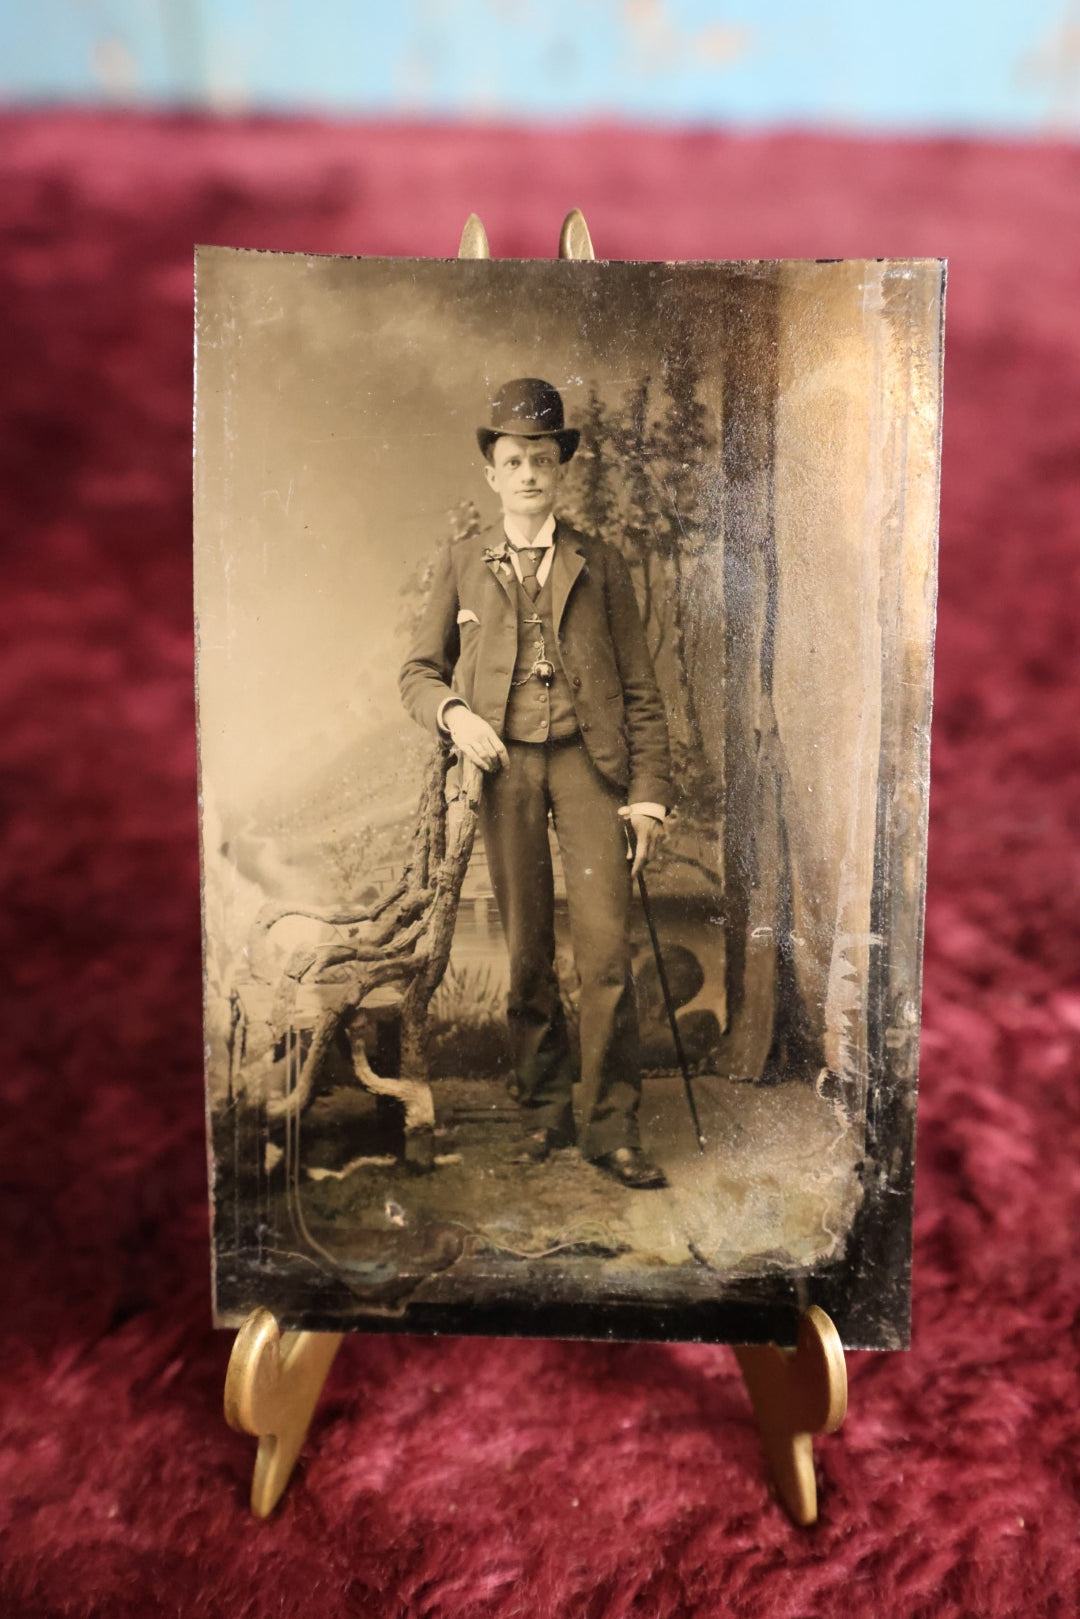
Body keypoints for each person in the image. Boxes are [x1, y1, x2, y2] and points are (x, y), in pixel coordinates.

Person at [399, 378, 672, 1189]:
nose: (527, 474)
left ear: (560, 471)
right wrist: (456, 714)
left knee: (605, 955)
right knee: (526, 956)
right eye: (513, 459)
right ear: (493, 472)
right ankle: (547, 1114)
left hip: (591, 772)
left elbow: (641, 691)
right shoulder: (462, 563)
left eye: (542, 460)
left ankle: (612, 1127)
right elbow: (417, 672)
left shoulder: (602, 562)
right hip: (506, 770)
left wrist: (647, 795)